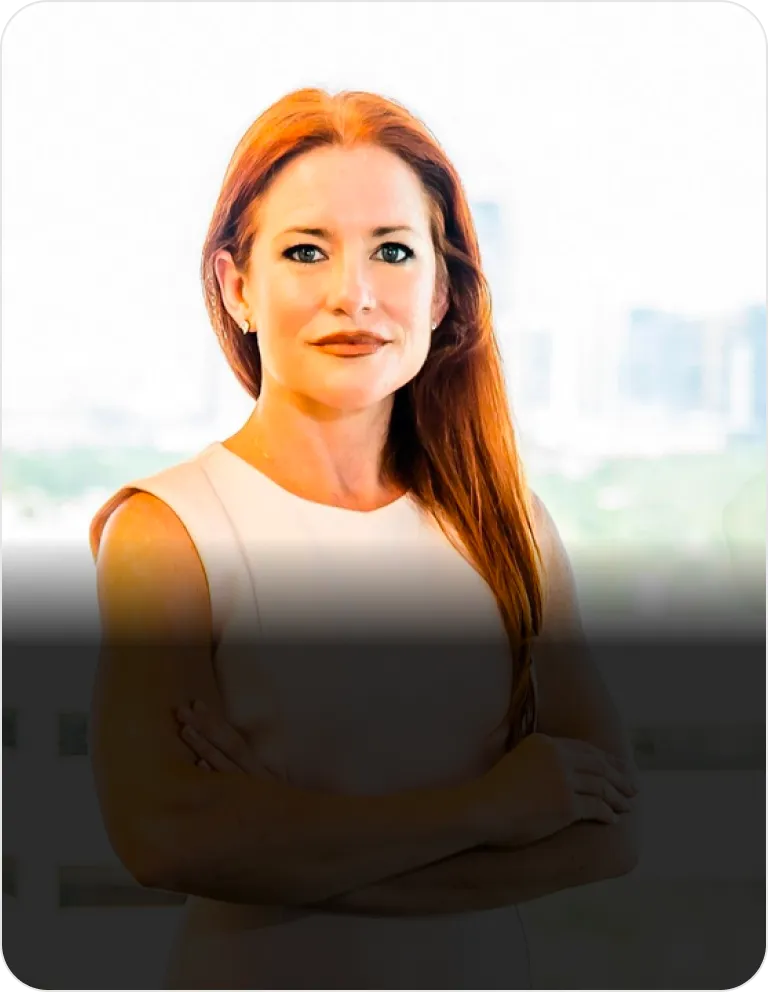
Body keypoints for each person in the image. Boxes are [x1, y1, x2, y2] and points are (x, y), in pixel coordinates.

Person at [88, 87, 640, 989]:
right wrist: (491, 807)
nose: (354, 295)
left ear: (442, 291)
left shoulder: (507, 527)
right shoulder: (168, 532)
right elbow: (163, 840)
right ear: (237, 286)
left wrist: (279, 838)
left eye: (393, 251)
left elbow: (611, 836)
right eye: (306, 251)